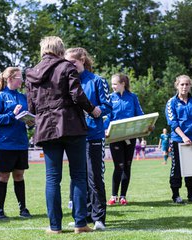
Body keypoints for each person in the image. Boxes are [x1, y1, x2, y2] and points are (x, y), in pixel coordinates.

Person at [25, 36, 101, 234]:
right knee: (78, 176)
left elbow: (31, 106)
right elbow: (77, 95)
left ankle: (55, 227)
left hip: (46, 128)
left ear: (43, 50)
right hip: (71, 125)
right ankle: (80, 224)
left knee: (52, 178)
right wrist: (92, 109)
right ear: (60, 49)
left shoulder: (31, 73)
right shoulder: (67, 67)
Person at [65, 47, 112, 231]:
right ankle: (81, 217)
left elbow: (107, 106)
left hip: (93, 135)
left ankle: (99, 218)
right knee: (78, 178)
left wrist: (96, 111)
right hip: (75, 137)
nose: (69, 66)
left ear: (82, 60)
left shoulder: (97, 81)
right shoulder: (67, 82)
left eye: (72, 63)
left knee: (95, 177)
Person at [0, 67, 32, 220]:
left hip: (21, 143)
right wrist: (11, 115)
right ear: (11, 78)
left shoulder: (23, 97)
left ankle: (23, 209)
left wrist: (31, 122)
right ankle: (0, 211)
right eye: (20, 77)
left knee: (19, 175)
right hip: (4, 144)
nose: (22, 80)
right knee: (3, 176)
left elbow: (28, 118)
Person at [105, 73, 144, 206]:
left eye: (115, 84)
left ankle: (123, 196)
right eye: (112, 84)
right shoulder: (110, 98)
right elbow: (108, 117)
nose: (113, 86)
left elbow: (139, 114)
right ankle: (113, 196)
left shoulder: (133, 97)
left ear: (123, 84)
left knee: (127, 165)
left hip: (130, 137)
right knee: (119, 166)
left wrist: (147, 124)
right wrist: (105, 129)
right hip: (115, 137)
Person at [165, 75, 192, 204]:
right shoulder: (171, 102)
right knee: (177, 168)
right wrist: (183, 137)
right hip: (178, 140)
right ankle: (176, 195)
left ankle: (191, 195)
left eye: (187, 84)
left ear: (190, 86)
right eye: (182, 84)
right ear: (177, 85)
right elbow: (173, 123)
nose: (184, 87)